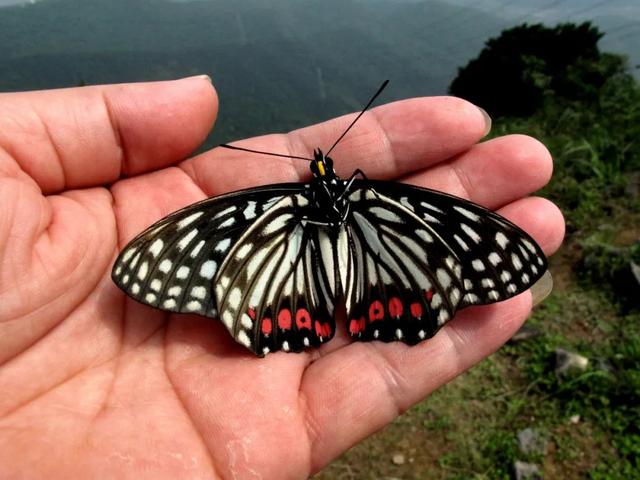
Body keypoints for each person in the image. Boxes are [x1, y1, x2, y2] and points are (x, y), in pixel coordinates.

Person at [0, 75, 564, 478]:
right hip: (367, 272)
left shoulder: (281, 203)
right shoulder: (342, 195)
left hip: (314, 277)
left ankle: (338, 314)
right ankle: (355, 313)